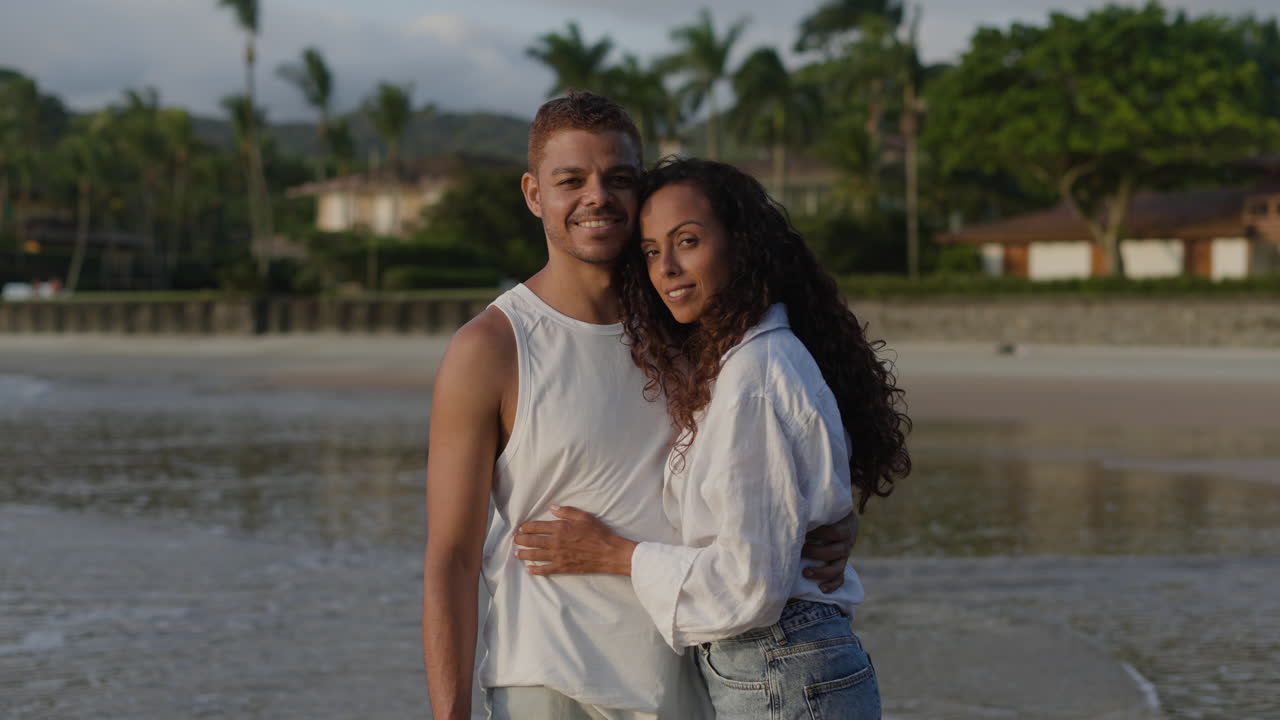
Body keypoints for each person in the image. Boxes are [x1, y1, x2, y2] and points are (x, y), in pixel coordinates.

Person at [421, 92, 857, 720]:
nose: (597, 196)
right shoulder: (491, 347)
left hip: (690, 680)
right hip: (550, 681)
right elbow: (451, 558)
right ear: (533, 193)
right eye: (570, 180)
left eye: (618, 178)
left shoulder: (690, 325)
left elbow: (767, 459)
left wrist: (825, 522)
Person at [512, 157, 911, 719]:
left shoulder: (753, 376)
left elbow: (748, 584)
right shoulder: (739, 364)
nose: (668, 268)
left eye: (688, 241)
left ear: (741, 246)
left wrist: (613, 554)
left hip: (777, 664)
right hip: (782, 665)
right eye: (651, 251)